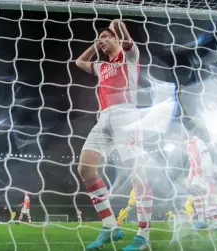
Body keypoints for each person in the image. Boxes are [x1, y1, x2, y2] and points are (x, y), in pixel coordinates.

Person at [75, 19, 152, 251]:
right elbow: (79, 62)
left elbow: (120, 27)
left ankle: (143, 235)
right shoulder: (101, 66)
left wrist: (115, 25)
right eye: (100, 38)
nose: (103, 40)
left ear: (117, 39)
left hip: (126, 116)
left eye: (106, 37)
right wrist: (95, 45)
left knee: (136, 174)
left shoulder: (130, 57)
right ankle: (110, 227)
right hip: (103, 118)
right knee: (85, 168)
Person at [186, 136, 216, 229]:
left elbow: (206, 157)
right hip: (198, 174)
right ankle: (204, 221)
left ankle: (208, 221)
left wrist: (206, 172)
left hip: (203, 173)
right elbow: (192, 164)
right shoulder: (189, 145)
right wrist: (190, 176)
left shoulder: (198, 142)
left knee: (204, 197)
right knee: (198, 195)